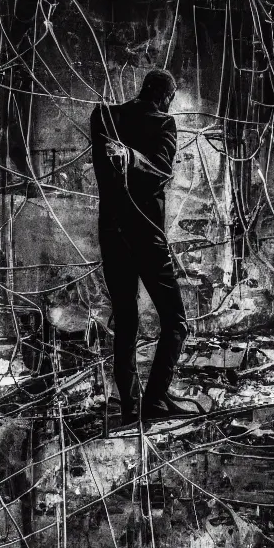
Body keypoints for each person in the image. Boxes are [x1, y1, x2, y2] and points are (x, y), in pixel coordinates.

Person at [90, 69, 196, 424]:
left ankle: (131, 408)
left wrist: (126, 153)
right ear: (165, 96)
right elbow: (163, 169)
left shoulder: (105, 115)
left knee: (127, 320)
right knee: (176, 321)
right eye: (172, 97)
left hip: (112, 233)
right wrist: (134, 157)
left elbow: (114, 148)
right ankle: (152, 400)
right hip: (144, 235)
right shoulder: (164, 124)